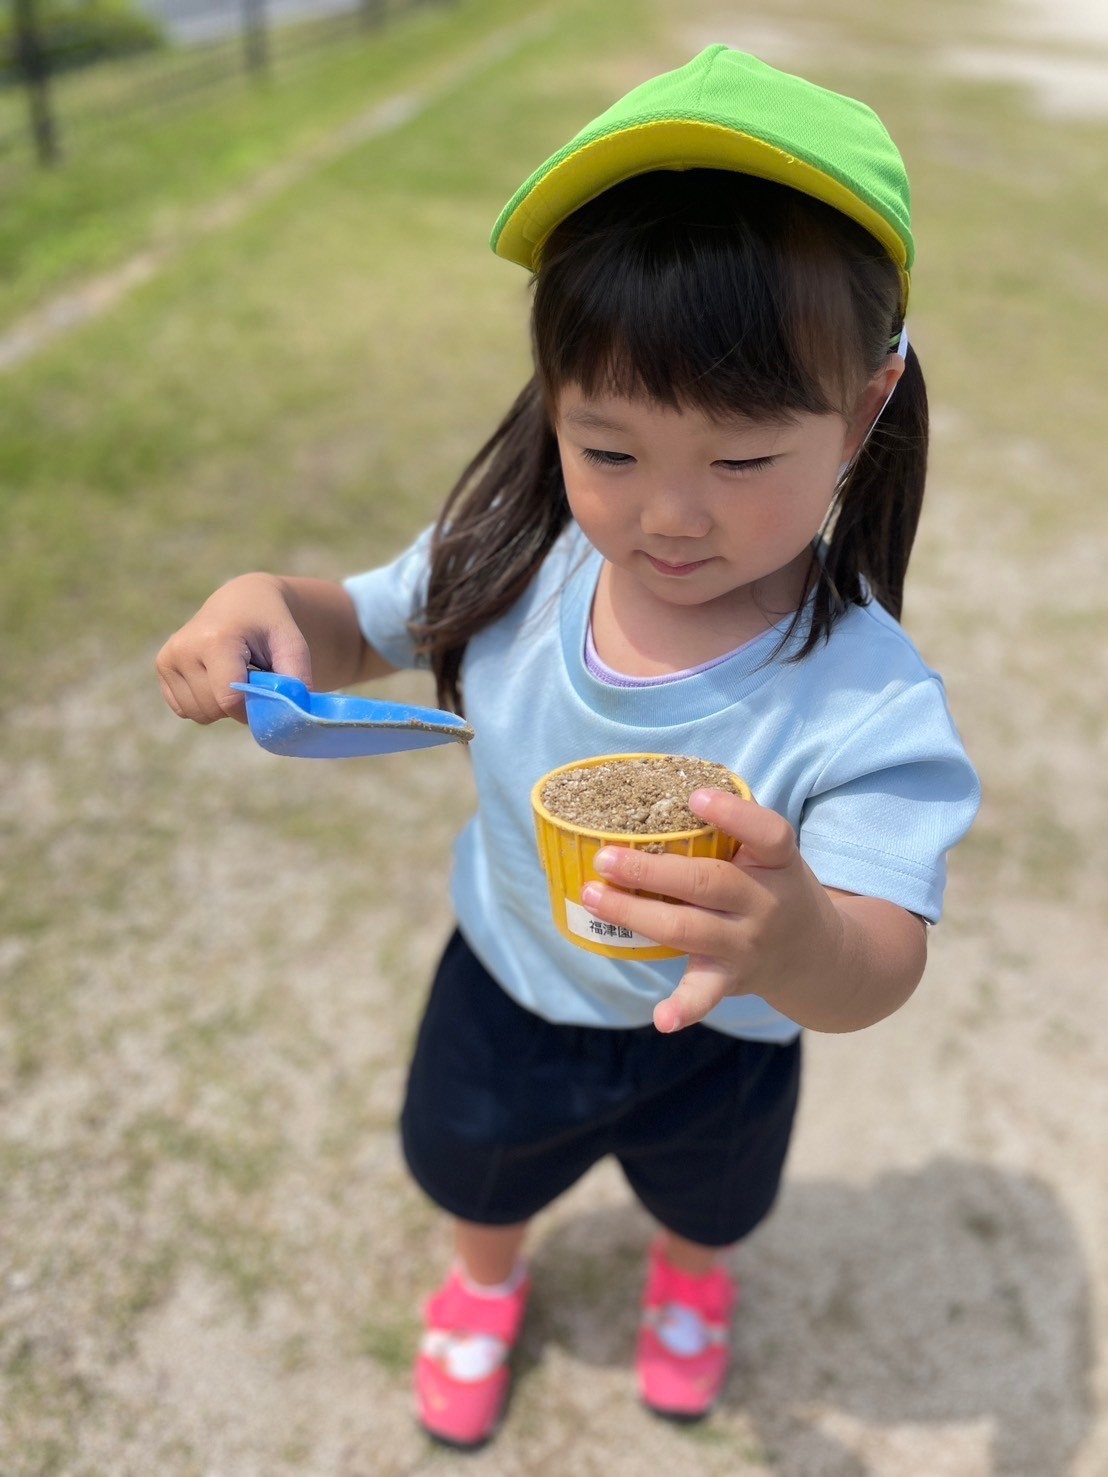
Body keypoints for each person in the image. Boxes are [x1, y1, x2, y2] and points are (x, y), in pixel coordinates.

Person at [156, 46, 981, 1450]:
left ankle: (691, 1282)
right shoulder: (514, 560)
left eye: (739, 460)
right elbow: (351, 625)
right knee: (474, 1167)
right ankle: (483, 1286)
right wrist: (266, 607)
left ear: (864, 404)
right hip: (511, 980)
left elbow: (880, 959)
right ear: (552, 400)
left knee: (712, 1196)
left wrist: (797, 943)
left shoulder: (866, 703)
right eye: (608, 450)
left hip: (718, 1038)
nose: (670, 516)